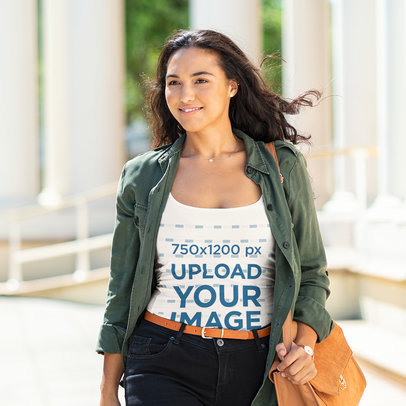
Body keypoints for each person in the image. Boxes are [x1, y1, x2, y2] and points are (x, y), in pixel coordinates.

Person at [97, 29, 333, 406]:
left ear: (232, 86)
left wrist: (304, 346)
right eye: (174, 83)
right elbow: (121, 289)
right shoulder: (143, 176)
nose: (185, 95)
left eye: (201, 80)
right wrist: (109, 389)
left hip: (261, 365)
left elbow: (311, 271)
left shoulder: (281, 166)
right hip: (163, 357)